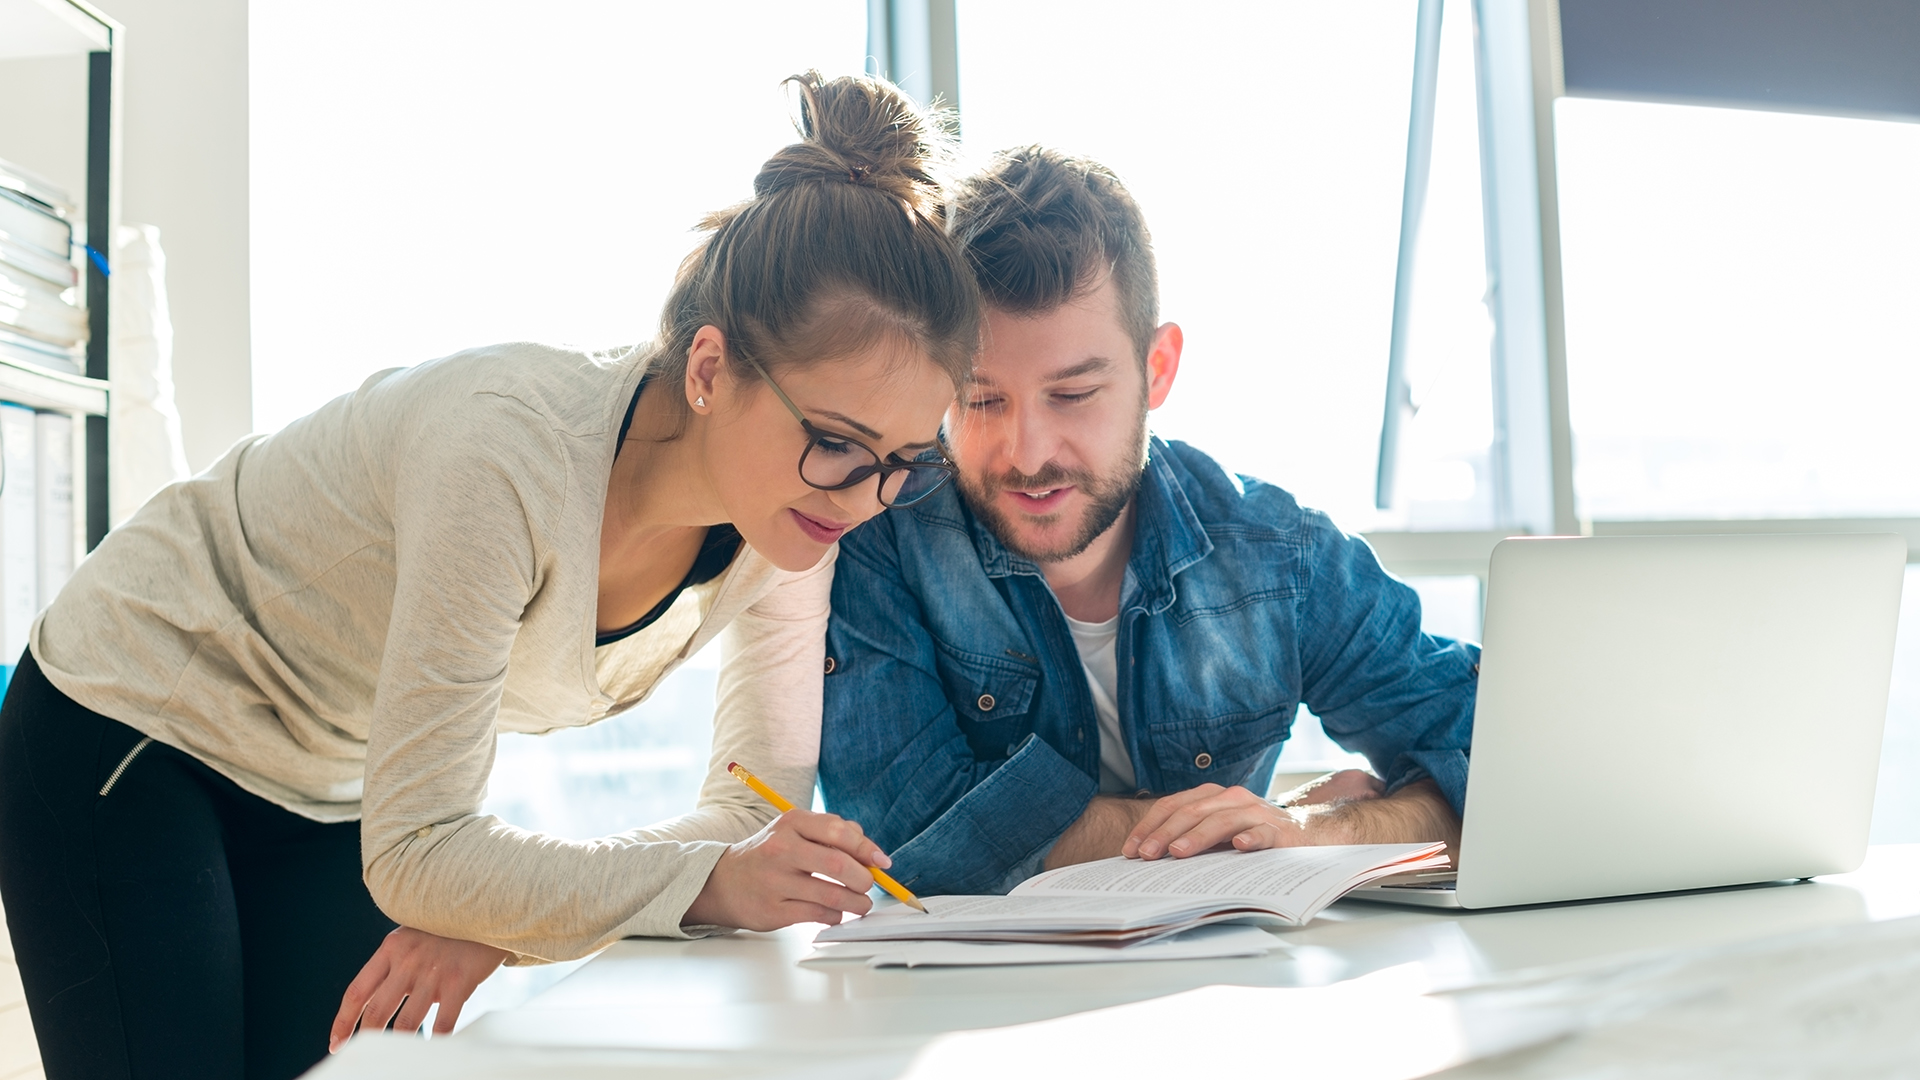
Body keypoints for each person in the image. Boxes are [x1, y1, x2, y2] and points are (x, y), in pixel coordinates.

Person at [0, 72, 978, 1080]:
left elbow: (746, 816)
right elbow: (428, 852)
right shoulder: (506, 454)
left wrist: (500, 923)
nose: (865, 498)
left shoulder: (790, 522)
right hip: (138, 715)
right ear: (708, 369)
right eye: (836, 442)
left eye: (906, 461)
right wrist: (669, 885)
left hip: (332, 780)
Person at [818, 147, 1477, 897]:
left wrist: (1317, 834)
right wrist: (1245, 837)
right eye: (981, 399)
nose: (1025, 454)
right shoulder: (881, 540)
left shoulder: (1276, 558)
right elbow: (907, 834)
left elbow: (1497, 762)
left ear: (1157, 369)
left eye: (1072, 395)